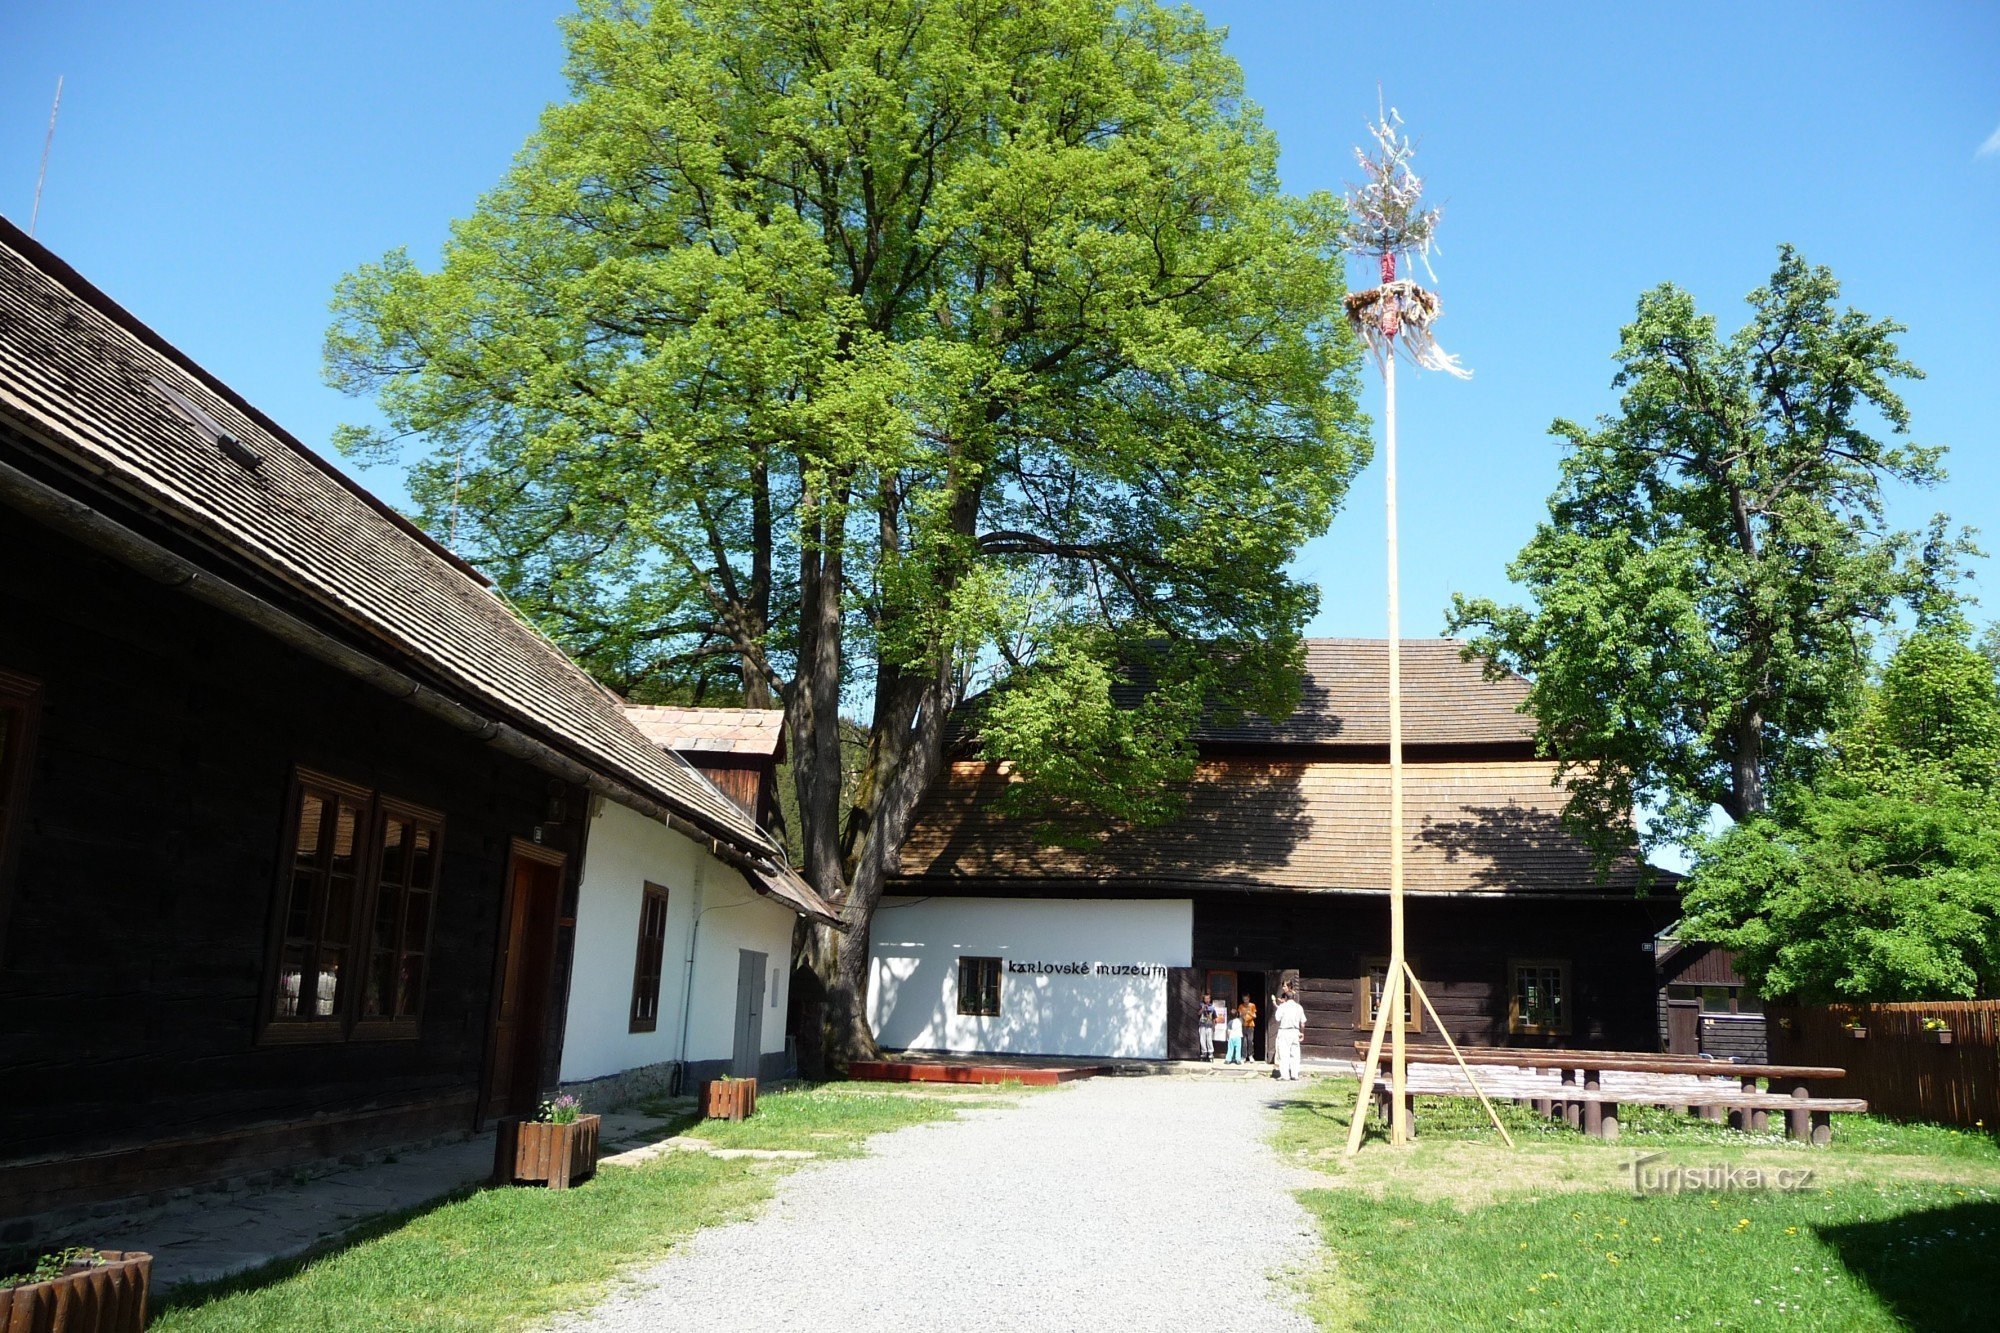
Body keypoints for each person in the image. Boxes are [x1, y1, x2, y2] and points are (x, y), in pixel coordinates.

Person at [1273, 985, 1306, 1081]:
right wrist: (1302, 1033)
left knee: (1284, 1053)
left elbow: (1277, 1018)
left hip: (1284, 1030)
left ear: (1286, 998)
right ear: (1294, 997)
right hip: (1295, 1031)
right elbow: (1303, 1022)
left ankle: (1285, 1075)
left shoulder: (1283, 1006)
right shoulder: (1299, 1007)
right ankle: (1295, 1074)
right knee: (1295, 1054)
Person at [1238, 996, 1259, 1063]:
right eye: (1244, 999)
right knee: (1244, 1042)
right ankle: (1244, 1056)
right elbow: (1239, 1015)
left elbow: (1255, 1016)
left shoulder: (1252, 1005)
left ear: (1249, 999)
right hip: (1243, 1025)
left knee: (1250, 1041)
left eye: (1246, 999)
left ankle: (1250, 1056)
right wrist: (1243, 1014)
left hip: (1250, 1025)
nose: (1245, 1001)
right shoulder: (1241, 1006)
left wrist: (1249, 1012)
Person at [1196, 992, 1214, 1060]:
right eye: (1205, 998)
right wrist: (1203, 1008)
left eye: (1208, 998)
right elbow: (1198, 1013)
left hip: (1209, 1025)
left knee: (1209, 1039)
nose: (1207, 1000)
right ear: (1203, 999)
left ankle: (1210, 1052)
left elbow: (1214, 1016)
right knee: (1202, 1039)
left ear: (1210, 999)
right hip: (1202, 1024)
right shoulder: (1201, 1005)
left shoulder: (1212, 1006)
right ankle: (1204, 1052)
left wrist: (1214, 1025)